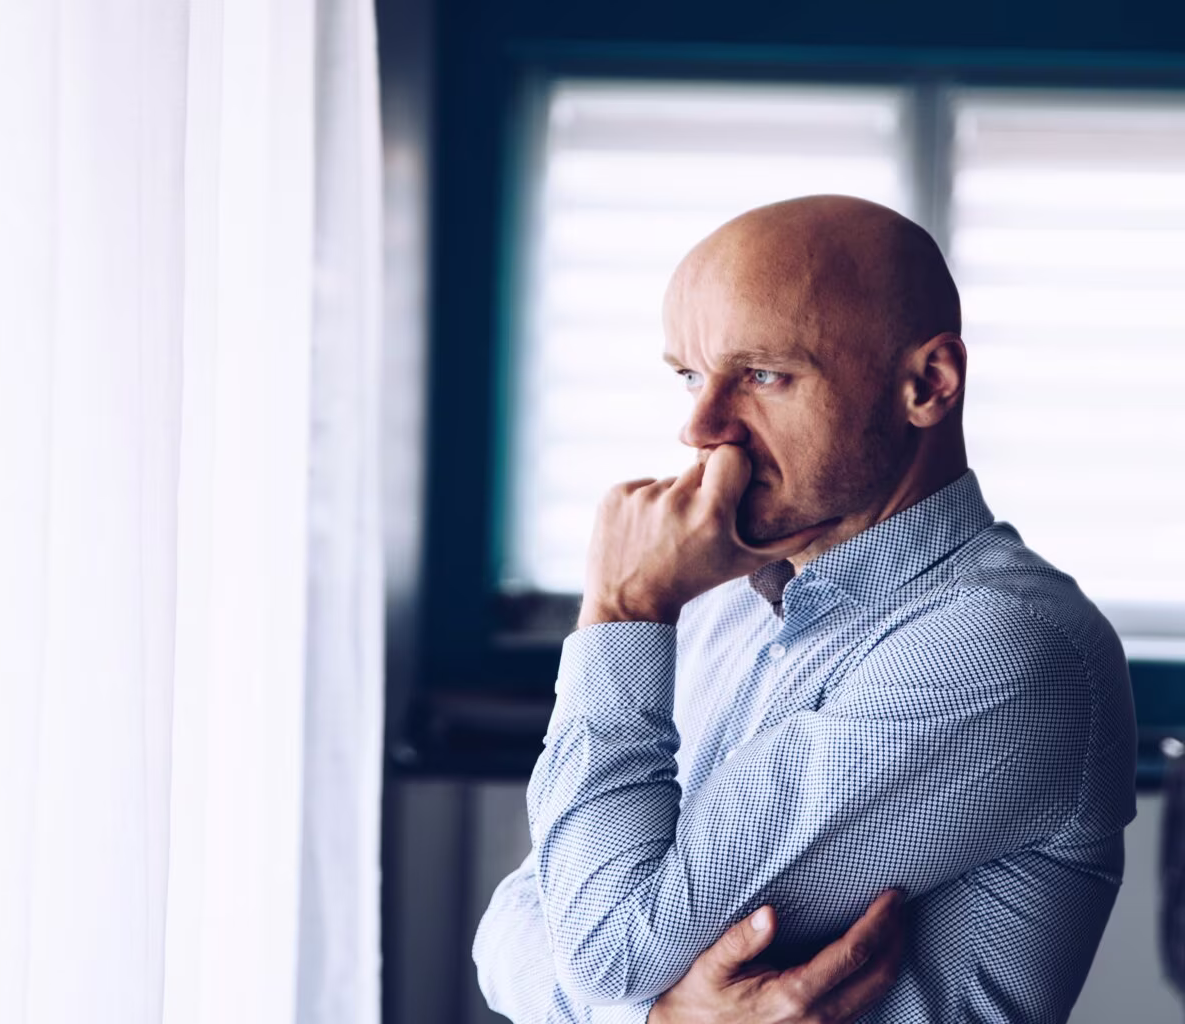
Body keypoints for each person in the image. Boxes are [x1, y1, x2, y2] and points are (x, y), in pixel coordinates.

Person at [473, 195, 1137, 1023]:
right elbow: (514, 918)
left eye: (762, 375)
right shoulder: (719, 600)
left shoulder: (1004, 648)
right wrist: (650, 1019)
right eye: (688, 374)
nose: (701, 428)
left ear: (927, 384)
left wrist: (621, 607)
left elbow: (606, 942)